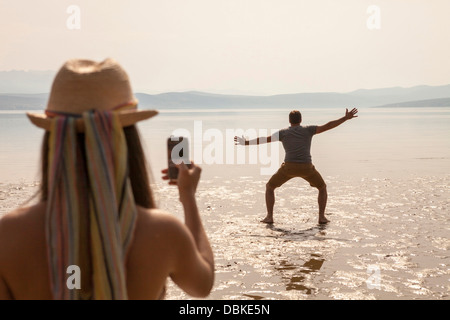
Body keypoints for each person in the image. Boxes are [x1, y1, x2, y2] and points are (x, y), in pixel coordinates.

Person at [0, 58, 214, 300]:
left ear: (53, 141)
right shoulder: (162, 232)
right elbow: (202, 285)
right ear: (127, 141)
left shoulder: (9, 234)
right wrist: (188, 197)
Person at [234, 108, 358, 225]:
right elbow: (328, 126)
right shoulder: (308, 130)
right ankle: (321, 217)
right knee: (322, 187)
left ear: (289, 120)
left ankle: (269, 217)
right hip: (307, 168)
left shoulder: (283, 133)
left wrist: (245, 143)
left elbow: (264, 140)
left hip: (288, 168)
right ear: (301, 120)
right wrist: (345, 118)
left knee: (270, 187)